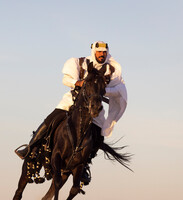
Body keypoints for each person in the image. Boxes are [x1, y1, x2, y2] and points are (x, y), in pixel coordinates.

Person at [15, 41, 127, 181]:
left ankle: (85, 164)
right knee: (51, 120)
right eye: (99, 52)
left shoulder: (111, 70)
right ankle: (30, 148)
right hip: (72, 102)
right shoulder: (80, 63)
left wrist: (104, 90)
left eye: (104, 52)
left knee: (99, 136)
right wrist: (78, 83)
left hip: (93, 107)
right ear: (93, 52)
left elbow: (120, 90)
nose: (102, 54)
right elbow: (66, 79)